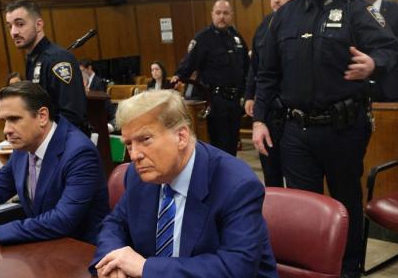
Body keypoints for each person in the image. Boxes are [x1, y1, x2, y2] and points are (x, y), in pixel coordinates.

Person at [253, 0, 398, 277]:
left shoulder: (356, 10)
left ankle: (347, 270)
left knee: (345, 205)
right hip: (296, 132)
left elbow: (391, 50)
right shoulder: (284, 16)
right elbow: (267, 74)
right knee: (303, 209)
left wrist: (373, 63)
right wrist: (259, 119)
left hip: (343, 130)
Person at [90, 90, 277, 278]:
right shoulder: (137, 175)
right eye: (129, 144)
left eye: (145, 139)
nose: (134, 155)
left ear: (181, 137)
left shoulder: (236, 184)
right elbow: (114, 224)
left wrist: (146, 268)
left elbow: (236, 268)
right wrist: (114, 261)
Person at [0, 81, 109, 245]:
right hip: (41, 243)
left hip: (80, 248)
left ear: (42, 116)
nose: (6, 130)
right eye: (4, 121)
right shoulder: (24, 145)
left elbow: (63, 220)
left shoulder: (80, 153)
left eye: (14, 119)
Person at [172, 0, 249, 156]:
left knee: (232, 143)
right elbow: (188, 63)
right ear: (212, 15)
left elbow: (246, 67)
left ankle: (229, 171)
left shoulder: (236, 37)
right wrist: (178, 76)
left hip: (235, 101)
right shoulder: (203, 38)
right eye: (218, 13)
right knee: (219, 145)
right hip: (215, 100)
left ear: (232, 15)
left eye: (226, 13)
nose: (222, 17)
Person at [244, 0, 300, 188]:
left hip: (294, 111)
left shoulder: (303, 24)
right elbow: (256, 66)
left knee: (295, 174)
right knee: (271, 170)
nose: (276, 0)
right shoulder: (264, 27)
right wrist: (250, 95)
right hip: (269, 108)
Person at [5, 0, 90, 135]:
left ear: (39, 25)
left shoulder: (59, 59)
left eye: (20, 24)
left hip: (67, 141)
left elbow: (72, 115)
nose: (14, 32)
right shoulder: (33, 59)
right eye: (10, 26)